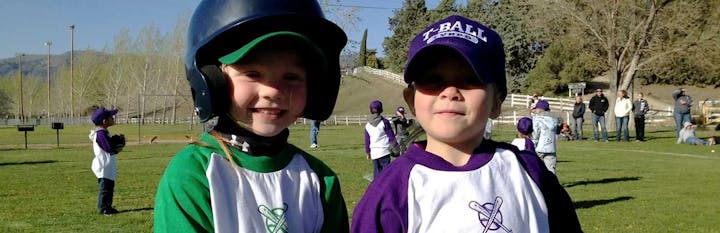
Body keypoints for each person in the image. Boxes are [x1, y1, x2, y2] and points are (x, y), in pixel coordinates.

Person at [352, 15, 582, 233]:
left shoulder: (530, 173)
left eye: (471, 79)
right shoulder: (389, 193)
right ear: (411, 100)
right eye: (433, 80)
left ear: (497, 102)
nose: (450, 92)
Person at [153, 0, 350, 232]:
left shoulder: (320, 180)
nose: (273, 91)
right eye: (253, 74)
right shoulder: (192, 176)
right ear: (212, 81)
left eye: (291, 76)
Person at [89, 107, 125, 216]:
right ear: (104, 121)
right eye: (110, 117)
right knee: (105, 188)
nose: (113, 118)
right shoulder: (100, 133)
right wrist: (117, 142)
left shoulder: (104, 132)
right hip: (103, 166)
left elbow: (109, 146)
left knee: (109, 187)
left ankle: (108, 206)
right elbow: (109, 148)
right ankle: (103, 208)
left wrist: (115, 139)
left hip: (107, 165)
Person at [365, 100, 399, 178]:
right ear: (380, 109)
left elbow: (367, 140)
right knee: (386, 174)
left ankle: (377, 188)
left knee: (377, 174)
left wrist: (368, 152)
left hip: (374, 153)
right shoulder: (384, 122)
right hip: (384, 151)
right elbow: (391, 136)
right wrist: (396, 148)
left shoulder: (367, 125)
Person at [531, 100, 559, 174]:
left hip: (539, 147)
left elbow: (536, 134)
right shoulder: (554, 120)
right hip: (551, 148)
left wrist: (533, 142)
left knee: (535, 167)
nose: (535, 110)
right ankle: (552, 184)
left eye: (536, 108)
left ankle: (537, 184)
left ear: (540, 109)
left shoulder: (538, 119)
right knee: (551, 169)